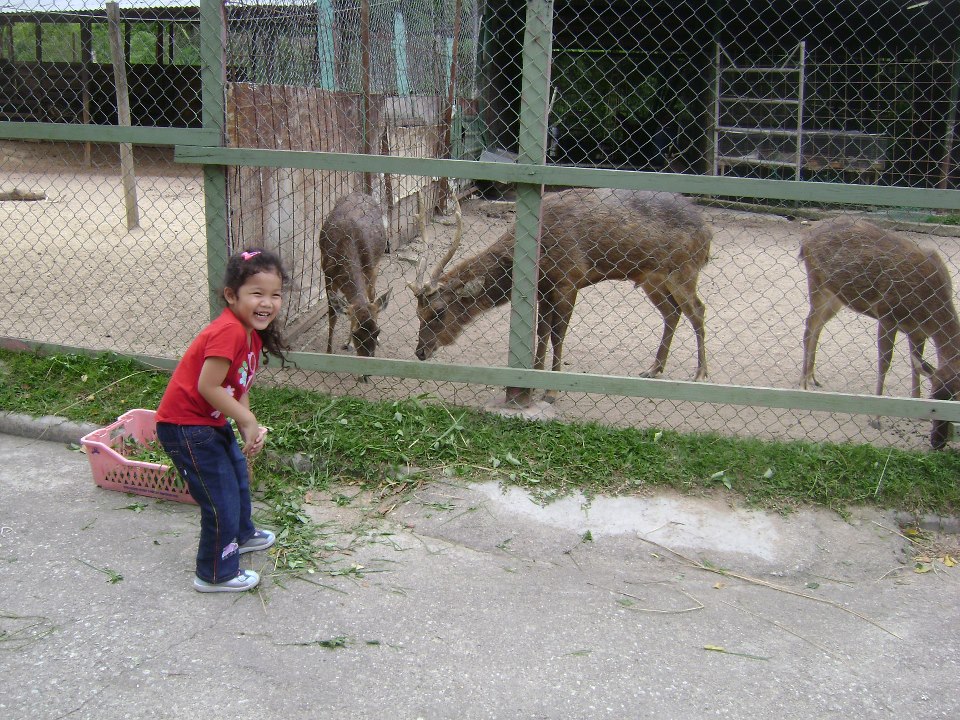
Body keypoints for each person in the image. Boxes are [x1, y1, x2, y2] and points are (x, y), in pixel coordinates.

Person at [156, 248, 290, 593]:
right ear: (232, 295)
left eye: (275, 294)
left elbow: (236, 384)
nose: (267, 303)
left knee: (238, 478)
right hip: (186, 428)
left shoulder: (250, 333)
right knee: (220, 498)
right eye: (257, 293)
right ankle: (214, 573)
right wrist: (247, 417)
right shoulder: (228, 332)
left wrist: (246, 425)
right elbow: (208, 386)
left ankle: (242, 535)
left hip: (208, 423)